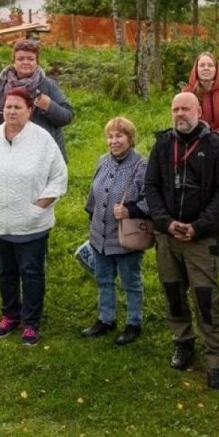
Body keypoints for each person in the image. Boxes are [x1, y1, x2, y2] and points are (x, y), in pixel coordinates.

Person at [144, 91, 219, 388]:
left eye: (185, 108)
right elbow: (151, 186)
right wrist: (166, 223)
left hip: (201, 237)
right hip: (167, 235)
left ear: (199, 111)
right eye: (175, 109)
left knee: (206, 298)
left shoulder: (215, 146)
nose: (180, 114)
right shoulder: (162, 144)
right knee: (173, 292)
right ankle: (183, 341)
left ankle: (214, 359)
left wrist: (198, 226)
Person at [0, 86, 69, 346]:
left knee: (32, 272)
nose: (11, 111)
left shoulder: (42, 140)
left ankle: (31, 322)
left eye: (17, 107)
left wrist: (40, 205)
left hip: (31, 222)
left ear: (29, 111)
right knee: (4, 271)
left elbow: (59, 176)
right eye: (8, 106)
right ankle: (10, 314)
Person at [80, 116, 149, 345]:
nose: (113, 141)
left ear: (130, 138)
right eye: (110, 136)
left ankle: (133, 323)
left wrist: (130, 209)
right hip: (100, 234)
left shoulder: (142, 165)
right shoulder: (102, 160)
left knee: (131, 282)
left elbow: (152, 199)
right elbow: (93, 193)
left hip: (126, 237)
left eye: (119, 136)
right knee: (103, 279)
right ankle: (106, 319)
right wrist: (92, 218)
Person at [0, 38, 75, 155]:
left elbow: (67, 116)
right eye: (20, 59)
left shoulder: (47, 84)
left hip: (41, 152)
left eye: (30, 59)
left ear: (37, 62)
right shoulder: (0, 83)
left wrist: (49, 106)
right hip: (6, 150)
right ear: (14, 61)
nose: (26, 62)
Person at [183, 52, 219, 150]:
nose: (206, 68)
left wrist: (215, 136)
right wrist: (200, 137)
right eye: (202, 65)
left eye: (210, 65)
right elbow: (182, 118)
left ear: (216, 69)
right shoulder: (187, 92)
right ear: (196, 69)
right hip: (193, 147)